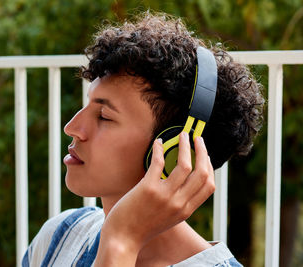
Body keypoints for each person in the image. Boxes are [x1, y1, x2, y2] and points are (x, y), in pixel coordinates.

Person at [22, 12, 264, 267]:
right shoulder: (62, 234)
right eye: (88, 105)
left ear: (176, 151)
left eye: (104, 116)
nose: (72, 128)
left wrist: (122, 242)